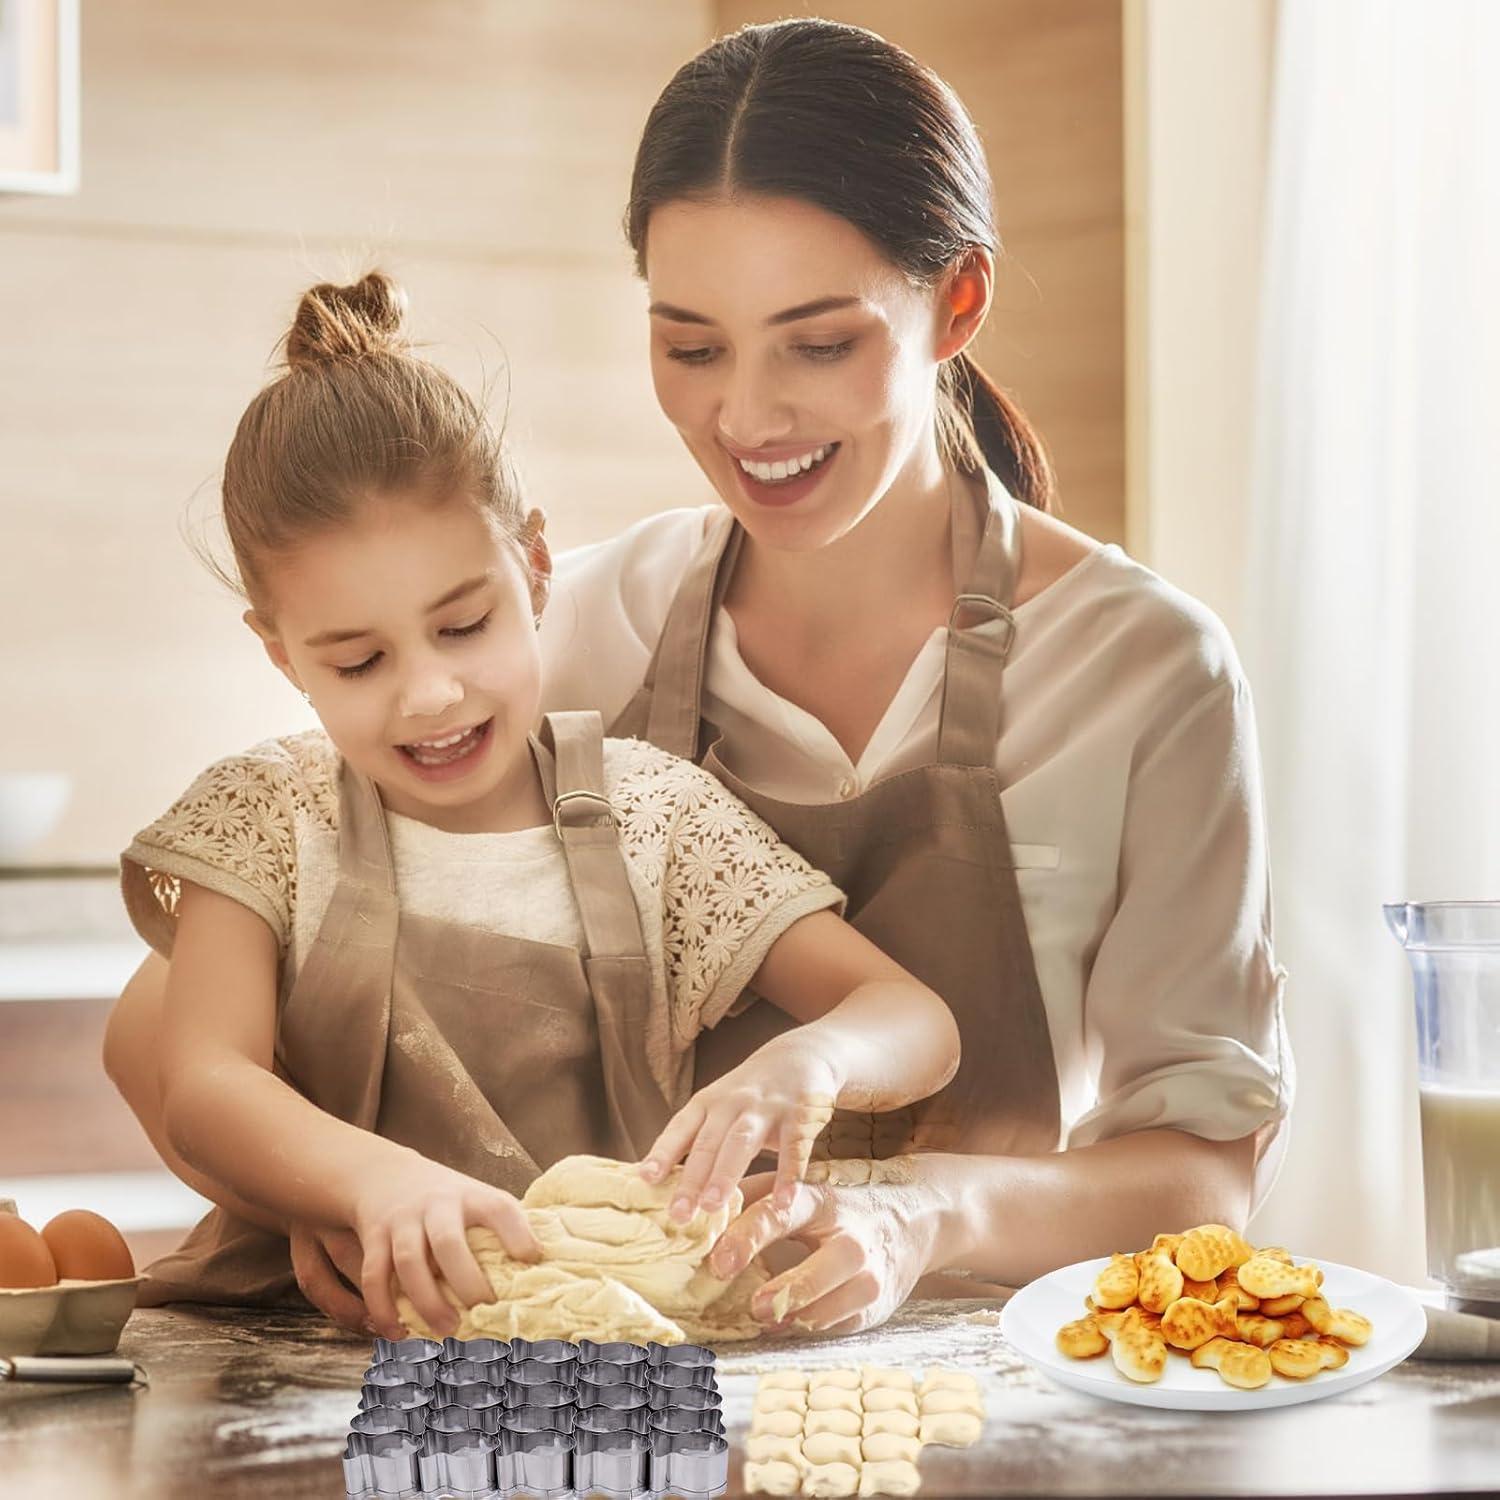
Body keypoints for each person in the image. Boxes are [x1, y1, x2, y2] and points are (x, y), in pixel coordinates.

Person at [107, 18, 1292, 1341]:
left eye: (820, 343)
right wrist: (321, 1196)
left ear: (956, 299)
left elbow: (1203, 1180)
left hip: (950, 1389)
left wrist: (917, 1217)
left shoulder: (1142, 673)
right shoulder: (579, 629)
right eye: (693, 346)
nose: (748, 418)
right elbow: (178, 1036)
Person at [108, 270, 961, 1343]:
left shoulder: (658, 817)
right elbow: (204, 1082)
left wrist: (811, 1061)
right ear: (281, 654)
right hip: (302, 1341)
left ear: (538, 568)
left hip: (611, 1343)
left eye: (464, 627)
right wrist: (361, 1187)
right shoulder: (268, 818)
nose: (429, 693)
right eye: (360, 659)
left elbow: (913, 1018)